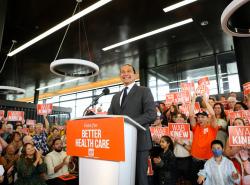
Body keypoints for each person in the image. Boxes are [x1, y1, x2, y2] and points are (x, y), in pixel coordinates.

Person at [108, 64, 156, 185]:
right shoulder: (115, 97)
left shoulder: (144, 91)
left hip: (139, 143)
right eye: (122, 72)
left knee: (140, 179)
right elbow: (110, 118)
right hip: (120, 145)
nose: (125, 74)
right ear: (120, 76)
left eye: (129, 71)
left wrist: (128, 123)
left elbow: (151, 114)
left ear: (135, 75)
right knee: (123, 179)